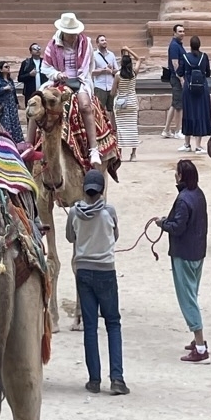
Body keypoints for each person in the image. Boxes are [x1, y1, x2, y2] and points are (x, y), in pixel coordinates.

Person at [67, 168, 126, 394]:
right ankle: (117, 378)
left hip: (83, 271)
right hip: (106, 271)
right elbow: (116, 235)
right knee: (113, 323)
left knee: (90, 327)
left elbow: (70, 237)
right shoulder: (109, 211)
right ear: (102, 190)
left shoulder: (74, 211)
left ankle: (94, 379)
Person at [156, 157, 209, 360]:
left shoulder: (183, 200)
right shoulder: (199, 194)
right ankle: (197, 340)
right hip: (198, 252)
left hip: (184, 254)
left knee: (187, 299)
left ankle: (201, 345)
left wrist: (162, 224)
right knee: (192, 294)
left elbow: (177, 228)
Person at [45, 11, 100, 145]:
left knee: (85, 106)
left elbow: (89, 64)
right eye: (71, 34)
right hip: (59, 80)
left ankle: (93, 148)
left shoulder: (85, 43)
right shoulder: (52, 45)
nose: (73, 36)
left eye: (75, 33)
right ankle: (29, 144)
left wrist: (80, 77)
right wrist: (58, 74)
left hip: (80, 79)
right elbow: (46, 67)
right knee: (38, 101)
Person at [179, 33, 211, 152]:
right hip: (202, 88)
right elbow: (208, 73)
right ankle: (198, 145)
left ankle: (187, 144)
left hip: (188, 89)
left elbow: (179, 72)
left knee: (188, 113)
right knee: (200, 113)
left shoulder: (185, 57)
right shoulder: (204, 56)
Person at [112, 49, 140, 160]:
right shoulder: (134, 73)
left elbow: (113, 92)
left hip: (121, 103)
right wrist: (127, 49)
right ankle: (133, 154)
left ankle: (120, 153)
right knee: (133, 127)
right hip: (132, 102)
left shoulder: (118, 75)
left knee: (121, 129)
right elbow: (139, 59)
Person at [163, 23, 186, 139]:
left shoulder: (179, 45)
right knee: (179, 106)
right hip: (176, 78)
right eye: (180, 31)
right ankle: (178, 130)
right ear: (174, 33)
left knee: (174, 103)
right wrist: (181, 78)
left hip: (177, 77)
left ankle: (166, 130)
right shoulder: (174, 46)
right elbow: (175, 63)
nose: (182, 33)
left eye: (183, 31)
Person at [0, 59, 23, 144]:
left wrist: (17, 103)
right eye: (6, 67)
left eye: (8, 67)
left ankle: (17, 140)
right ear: (1, 69)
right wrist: (4, 89)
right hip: (3, 104)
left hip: (11, 104)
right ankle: (7, 139)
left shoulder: (10, 80)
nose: (8, 68)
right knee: (6, 122)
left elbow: (14, 92)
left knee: (14, 122)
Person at [91, 32, 120, 120]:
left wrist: (111, 70)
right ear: (97, 43)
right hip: (100, 86)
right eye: (102, 40)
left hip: (111, 86)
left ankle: (113, 129)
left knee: (113, 110)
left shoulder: (111, 55)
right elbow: (91, 72)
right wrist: (103, 70)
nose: (104, 42)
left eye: (105, 40)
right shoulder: (94, 55)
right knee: (99, 109)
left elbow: (117, 70)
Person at [18, 41, 47, 105]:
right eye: (34, 49)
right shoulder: (26, 63)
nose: (37, 50)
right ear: (31, 52)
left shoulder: (45, 62)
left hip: (43, 92)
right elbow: (20, 78)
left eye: (38, 48)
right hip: (30, 93)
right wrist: (29, 75)